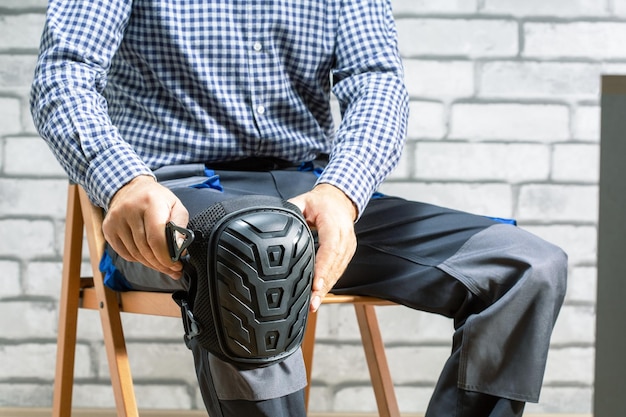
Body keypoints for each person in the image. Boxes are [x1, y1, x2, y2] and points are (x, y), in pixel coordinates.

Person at [30, 1, 567, 416]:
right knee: (256, 248)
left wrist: (342, 190)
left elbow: (377, 82)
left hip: (309, 195)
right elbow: (64, 74)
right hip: (174, 197)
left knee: (526, 267)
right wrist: (123, 180)